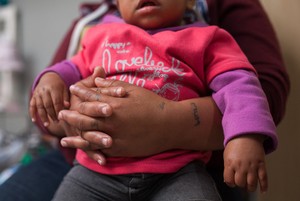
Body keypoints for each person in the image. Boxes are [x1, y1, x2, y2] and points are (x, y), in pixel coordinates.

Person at [0, 0, 289, 201]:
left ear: (191, 1)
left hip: (178, 172)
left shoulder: (208, 38)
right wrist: (50, 80)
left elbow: (241, 83)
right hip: (95, 172)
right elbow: (69, 68)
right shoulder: (101, 34)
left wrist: (244, 136)